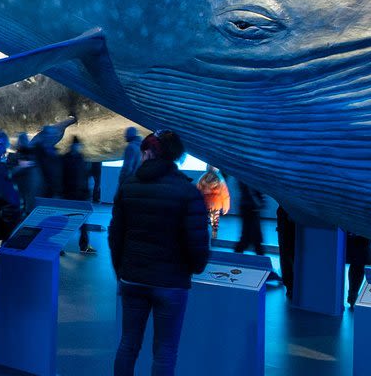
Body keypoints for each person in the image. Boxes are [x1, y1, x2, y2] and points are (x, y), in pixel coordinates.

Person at [109, 130, 210, 376]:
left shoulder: (128, 186)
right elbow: (197, 242)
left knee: (128, 344)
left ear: (148, 153)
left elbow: (115, 235)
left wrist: (121, 271)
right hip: (171, 283)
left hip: (132, 278)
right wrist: (194, 268)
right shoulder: (188, 192)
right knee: (165, 351)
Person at [62, 136, 95, 253]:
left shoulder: (80, 158)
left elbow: (84, 177)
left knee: (83, 222)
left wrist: (86, 193)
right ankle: (59, 246)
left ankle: (84, 245)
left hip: (79, 196)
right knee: (65, 223)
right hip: (70, 196)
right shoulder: (67, 159)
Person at [196, 166, 230, 239]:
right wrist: (226, 206)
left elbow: (197, 190)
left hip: (205, 203)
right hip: (216, 204)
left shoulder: (203, 177)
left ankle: (204, 235)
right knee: (214, 221)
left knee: (204, 220)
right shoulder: (220, 178)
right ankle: (214, 235)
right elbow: (225, 193)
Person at [234, 180, 265, 255]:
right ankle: (260, 257)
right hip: (251, 207)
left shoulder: (244, 177)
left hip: (248, 206)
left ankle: (236, 256)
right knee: (253, 236)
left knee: (248, 235)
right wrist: (258, 202)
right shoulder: (251, 178)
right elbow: (252, 191)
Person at [346, 232, 371, 309]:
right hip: (362, 238)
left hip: (358, 238)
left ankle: (352, 297)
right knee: (358, 267)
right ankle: (353, 297)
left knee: (357, 267)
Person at [276, 205, 296, 298]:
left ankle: (290, 286)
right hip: (287, 222)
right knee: (288, 255)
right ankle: (291, 285)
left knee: (286, 255)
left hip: (285, 222)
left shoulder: (283, 209)